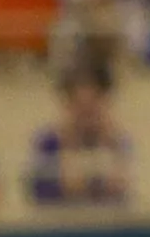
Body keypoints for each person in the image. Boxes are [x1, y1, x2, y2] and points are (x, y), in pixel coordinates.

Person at [28, 59, 132, 207]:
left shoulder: (117, 140)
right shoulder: (48, 143)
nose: (86, 115)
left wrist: (110, 144)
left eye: (92, 106)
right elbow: (42, 195)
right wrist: (68, 143)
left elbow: (121, 191)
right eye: (80, 106)